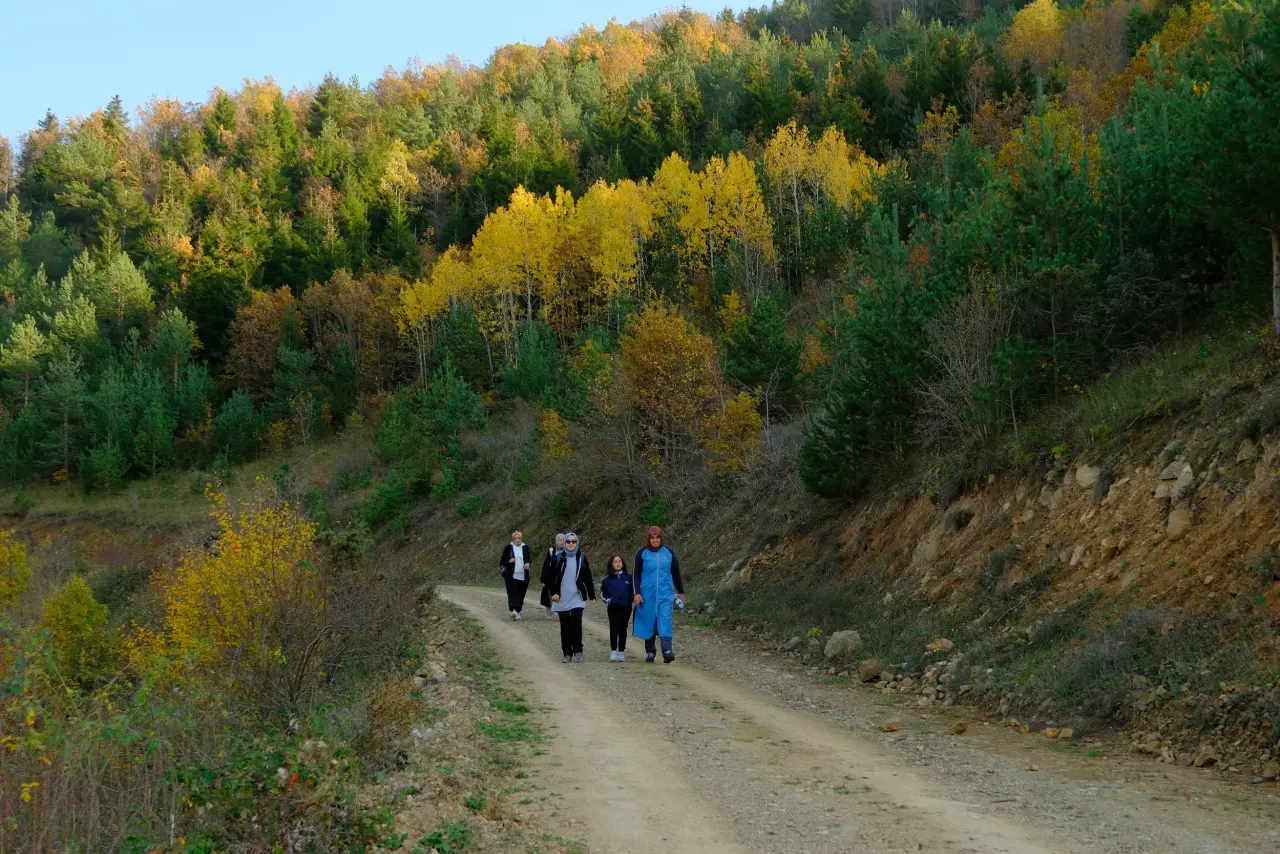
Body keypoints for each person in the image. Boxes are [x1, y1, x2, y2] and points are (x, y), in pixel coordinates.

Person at [632, 525, 685, 663]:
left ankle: (667, 650)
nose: (655, 540)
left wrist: (681, 592)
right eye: (652, 538)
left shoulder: (668, 552)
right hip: (647, 594)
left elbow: (676, 573)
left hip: (665, 594)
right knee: (649, 620)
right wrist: (636, 593)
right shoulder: (641, 552)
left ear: (661, 538)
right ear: (648, 539)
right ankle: (650, 651)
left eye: (657, 538)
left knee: (665, 620)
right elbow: (636, 574)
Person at [544, 531, 595, 663]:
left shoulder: (581, 558)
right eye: (568, 541)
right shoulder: (558, 558)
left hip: (576, 597)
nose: (571, 544)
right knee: (565, 626)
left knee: (576, 623)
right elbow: (549, 577)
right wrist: (554, 592)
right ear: (565, 543)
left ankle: (578, 651)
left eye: (573, 541)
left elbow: (587, 577)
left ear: (577, 543)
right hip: (561, 597)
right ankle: (567, 653)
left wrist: (591, 595)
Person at [599, 554, 634, 662]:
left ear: (622, 564)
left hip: (626, 607)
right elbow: (602, 593)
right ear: (611, 564)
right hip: (613, 607)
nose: (618, 563)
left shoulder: (629, 578)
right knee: (614, 628)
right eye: (615, 562)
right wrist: (609, 600)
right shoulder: (607, 579)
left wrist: (631, 600)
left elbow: (634, 591)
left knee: (623, 629)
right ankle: (613, 651)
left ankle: (621, 652)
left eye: (619, 561)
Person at [497, 529, 532, 620]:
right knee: (513, 592)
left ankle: (518, 610)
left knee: (521, 593)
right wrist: (509, 561)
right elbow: (502, 561)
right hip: (511, 575)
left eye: (519, 538)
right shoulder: (508, 547)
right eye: (515, 538)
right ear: (513, 539)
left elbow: (528, 559)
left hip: (523, 575)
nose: (517, 539)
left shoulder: (525, 547)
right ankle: (514, 610)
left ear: (521, 538)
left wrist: (528, 564)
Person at [539, 533, 565, 620]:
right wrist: (543, 578)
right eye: (559, 540)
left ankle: (562, 611)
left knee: (563, 593)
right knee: (549, 593)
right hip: (551, 575)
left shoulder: (568, 551)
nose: (561, 542)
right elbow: (546, 565)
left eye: (563, 540)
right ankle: (549, 608)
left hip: (563, 576)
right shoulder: (551, 551)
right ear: (556, 541)